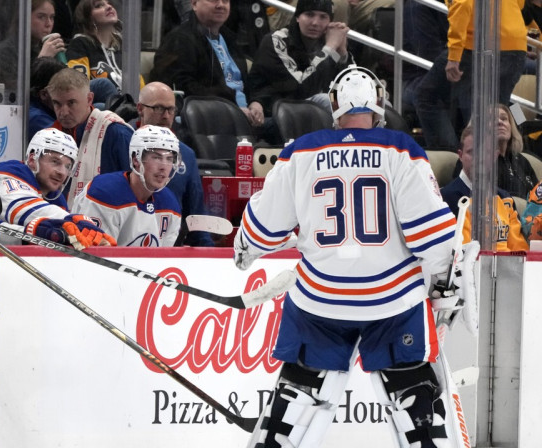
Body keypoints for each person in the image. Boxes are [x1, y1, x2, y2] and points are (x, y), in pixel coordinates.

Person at [234, 66, 471, 447]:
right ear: (379, 102)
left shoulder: (300, 151)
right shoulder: (400, 148)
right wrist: (446, 280)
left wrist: (245, 248)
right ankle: (420, 418)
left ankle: (281, 427)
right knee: (416, 401)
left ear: (333, 104)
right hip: (393, 299)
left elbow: (261, 231)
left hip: (320, 299)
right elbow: (432, 234)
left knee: (296, 400)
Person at [0, 127, 116, 249]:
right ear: (32, 159)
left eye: (67, 166)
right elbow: (27, 210)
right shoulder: (9, 174)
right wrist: (72, 220)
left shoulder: (55, 198)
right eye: (55, 161)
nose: (62, 172)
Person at [415, 0, 526, 150]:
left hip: (477, 44)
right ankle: (499, 165)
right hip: (515, 44)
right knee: (494, 111)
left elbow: (463, 4)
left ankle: (453, 157)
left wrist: (454, 55)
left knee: (428, 97)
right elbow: (520, 4)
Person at [149, 0, 266, 129]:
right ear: (194, 4)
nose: (220, 5)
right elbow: (184, 89)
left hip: (245, 119)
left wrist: (257, 102)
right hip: (208, 122)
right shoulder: (179, 40)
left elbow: (245, 83)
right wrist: (231, 108)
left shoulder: (229, 38)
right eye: (213, 0)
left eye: (225, 1)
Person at [72, 125, 183, 247]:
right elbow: (95, 258)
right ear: (136, 159)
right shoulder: (104, 193)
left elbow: (163, 260)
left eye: (169, 159)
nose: (164, 167)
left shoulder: (170, 204)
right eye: (156, 157)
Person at [136, 82, 213, 247]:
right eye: (158, 108)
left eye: (171, 110)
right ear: (140, 109)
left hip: (170, 252)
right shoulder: (123, 143)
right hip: (126, 250)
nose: (165, 116)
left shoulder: (186, 155)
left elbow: (196, 215)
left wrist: (208, 257)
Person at [46, 67, 134, 205]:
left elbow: (136, 190)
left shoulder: (117, 134)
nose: (63, 112)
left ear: (89, 99)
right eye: (57, 103)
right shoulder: (48, 135)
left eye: (71, 103)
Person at [247, 0, 350, 116]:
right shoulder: (276, 41)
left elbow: (347, 86)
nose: (315, 22)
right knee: (326, 100)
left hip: (307, 112)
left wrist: (342, 54)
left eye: (323, 17)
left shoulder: (326, 41)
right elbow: (301, 90)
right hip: (275, 111)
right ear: (297, 17)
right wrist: (329, 48)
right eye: (309, 15)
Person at [442, 125, 528, 251]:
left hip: (507, 268)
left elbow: (520, 250)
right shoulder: (446, 198)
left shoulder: (504, 198)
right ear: (460, 155)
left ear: (494, 156)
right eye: (472, 152)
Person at [66, 0, 123, 105]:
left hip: (128, 104)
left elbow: (138, 85)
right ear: (87, 18)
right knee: (104, 86)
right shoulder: (80, 43)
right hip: (95, 109)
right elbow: (78, 85)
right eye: (99, 6)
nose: (109, 7)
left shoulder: (123, 46)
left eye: (109, 4)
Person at [28, 57, 68, 143]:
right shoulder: (36, 118)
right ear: (44, 94)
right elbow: (67, 144)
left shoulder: (46, 106)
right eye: (63, 87)